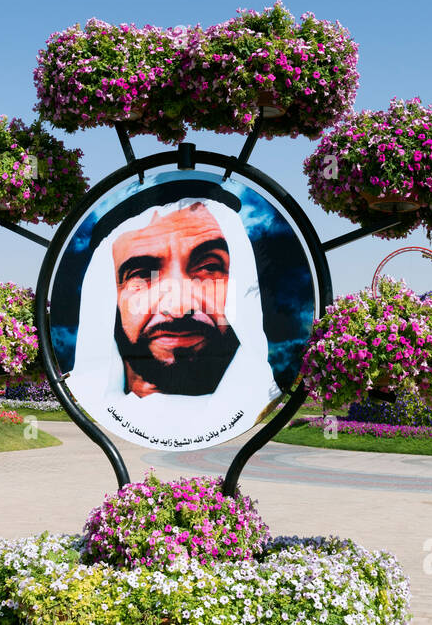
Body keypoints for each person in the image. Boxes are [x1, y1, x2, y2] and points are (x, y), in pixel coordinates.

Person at [64, 179, 281, 449]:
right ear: (109, 298)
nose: (178, 308)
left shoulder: (262, 399)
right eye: (143, 275)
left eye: (208, 268)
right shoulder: (90, 404)